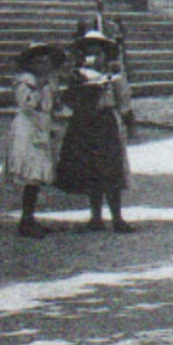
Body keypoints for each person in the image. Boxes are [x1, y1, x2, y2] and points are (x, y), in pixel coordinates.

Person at [54, 30, 136, 233]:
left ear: (105, 55)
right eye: (89, 54)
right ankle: (96, 217)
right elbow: (67, 101)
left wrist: (129, 123)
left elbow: (124, 102)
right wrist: (77, 88)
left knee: (111, 168)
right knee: (91, 169)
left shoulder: (114, 77)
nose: (94, 58)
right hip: (83, 124)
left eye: (98, 53)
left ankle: (117, 216)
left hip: (106, 123)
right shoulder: (77, 77)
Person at [4, 42, 66, 238]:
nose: (42, 65)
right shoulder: (26, 81)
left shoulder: (47, 82)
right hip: (28, 128)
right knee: (31, 174)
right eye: (37, 62)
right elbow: (27, 105)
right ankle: (26, 220)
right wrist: (39, 88)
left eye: (45, 61)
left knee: (37, 177)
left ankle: (29, 218)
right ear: (29, 64)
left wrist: (55, 101)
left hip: (41, 127)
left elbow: (50, 106)